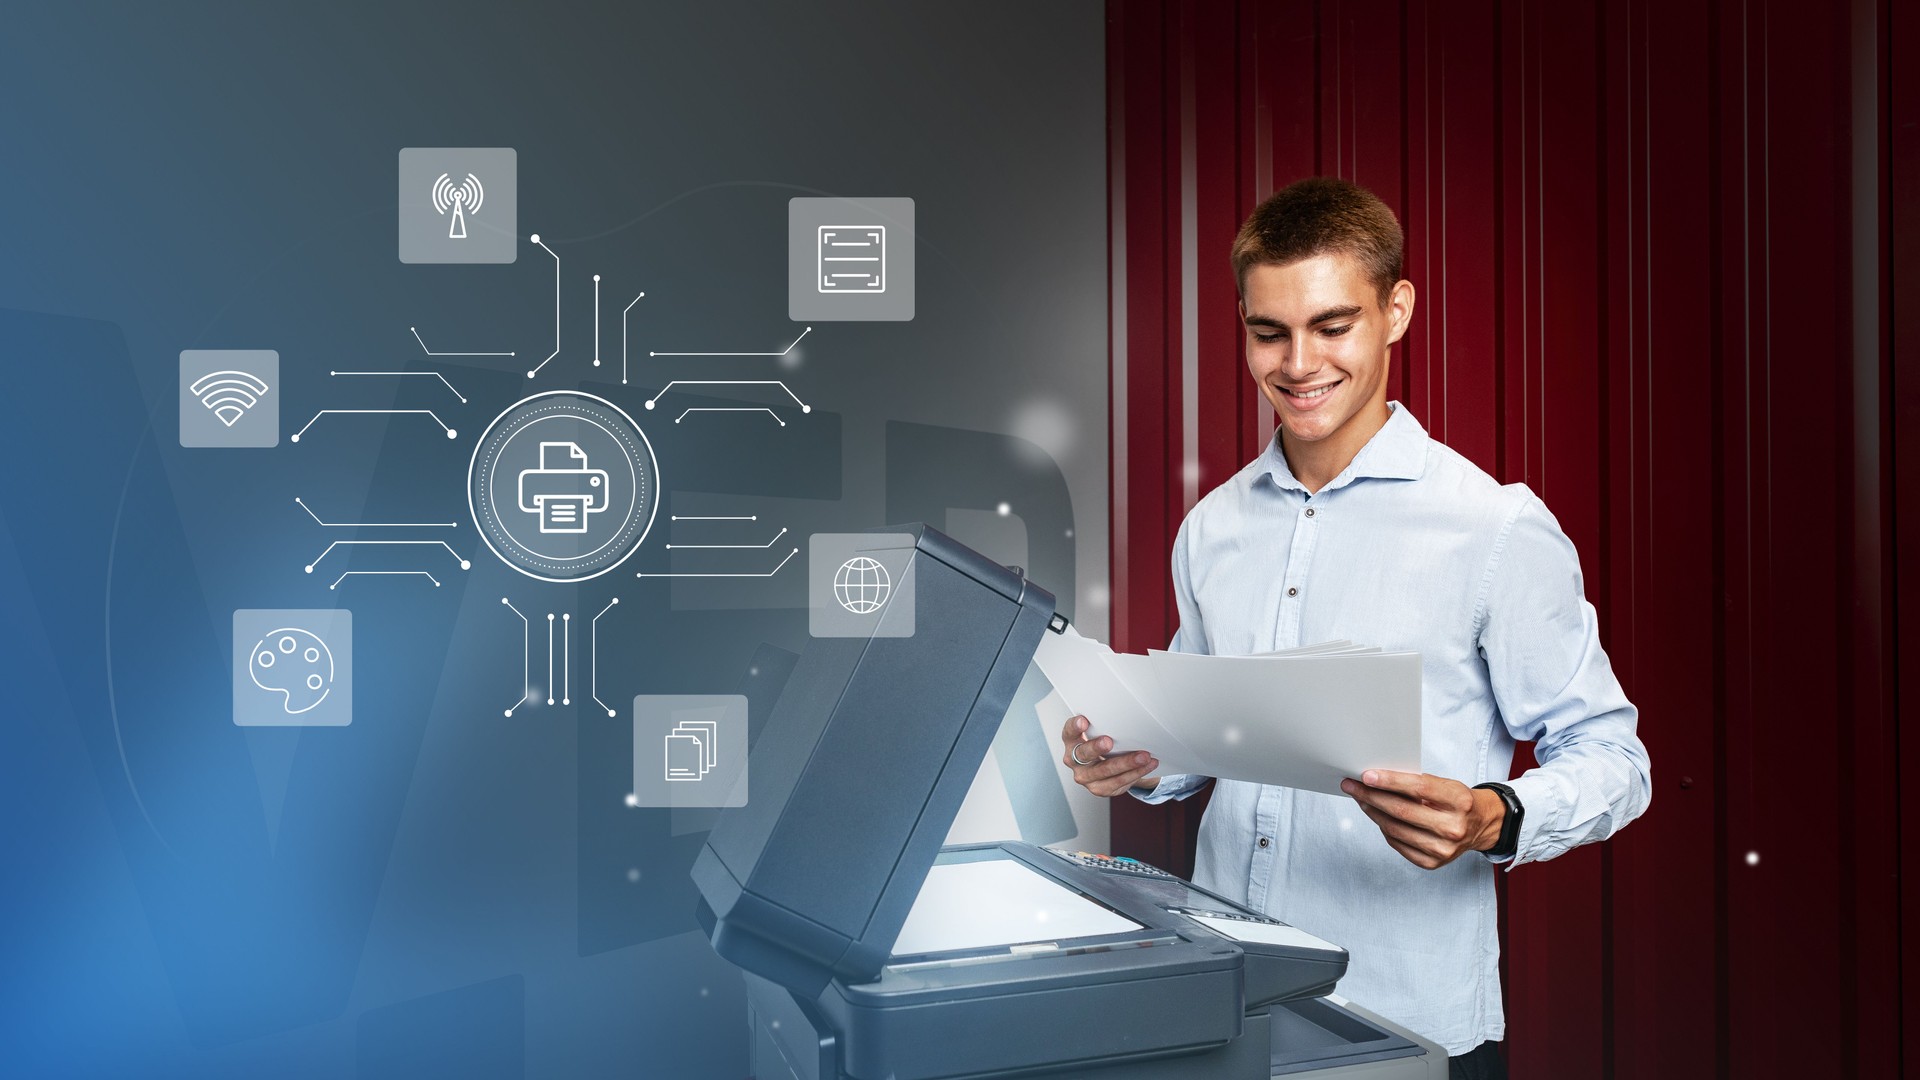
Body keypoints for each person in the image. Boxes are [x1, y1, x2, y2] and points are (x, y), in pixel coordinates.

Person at [1059, 176, 1651, 1079]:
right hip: (1227, 1000)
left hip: (1404, 1017)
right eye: (1269, 332)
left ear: (1396, 311)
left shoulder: (1494, 529)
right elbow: (1200, 737)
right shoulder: (1211, 527)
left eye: (1333, 326)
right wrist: (1136, 757)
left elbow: (1615, 756)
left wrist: (1497, 816)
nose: (1299, 364)